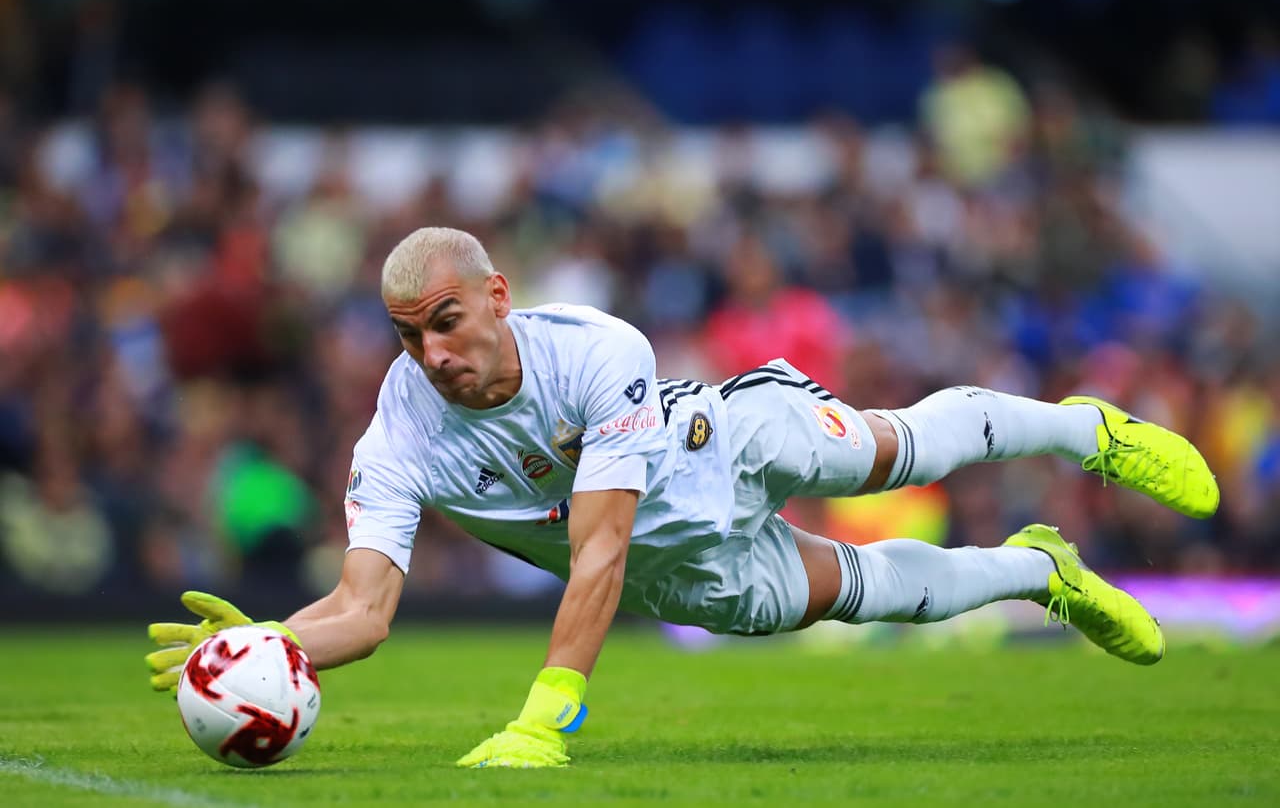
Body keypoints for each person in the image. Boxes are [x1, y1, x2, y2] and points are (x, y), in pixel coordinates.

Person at [145, 227, 1220, 769]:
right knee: (880, 596)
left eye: (444, 321)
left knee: (891, 456)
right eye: (406, 335)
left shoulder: (595, 350)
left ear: (494, 297)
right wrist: (275, 649)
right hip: (690, 570)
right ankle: (1042, 569)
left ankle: (1089, 427)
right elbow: (365, 608)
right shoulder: (395, 441)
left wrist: (544, 718)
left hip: (727, 445)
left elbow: (598, 544)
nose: (430, 353)